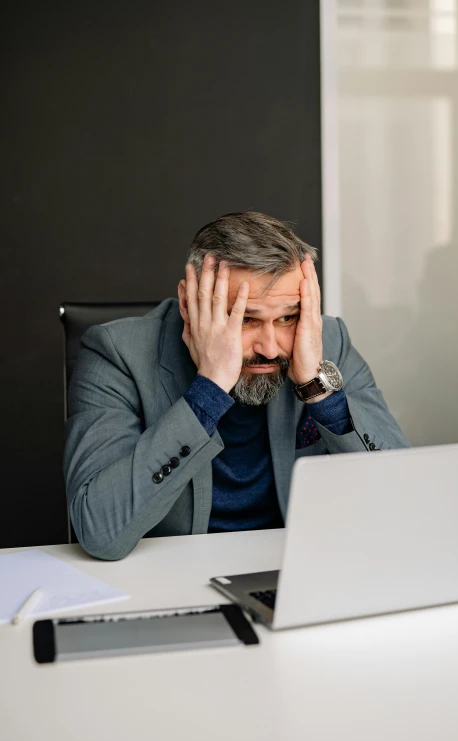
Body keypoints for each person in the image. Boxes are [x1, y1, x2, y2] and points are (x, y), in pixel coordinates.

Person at [64, 212, 409, 560]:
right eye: (245, 319)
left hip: (299, 572)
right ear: (189, 303)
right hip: (174, 579)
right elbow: (100, 532)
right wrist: (209, 390)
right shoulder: (116, 353)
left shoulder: (327, 341)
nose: (270, 348)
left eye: (287, 317)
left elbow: (404, 499)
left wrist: (316, 388)